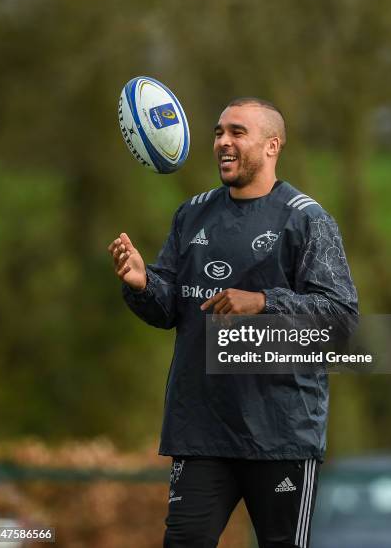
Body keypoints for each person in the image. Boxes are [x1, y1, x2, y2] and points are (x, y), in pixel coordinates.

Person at [108, 97, 358, 548]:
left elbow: (339, 321)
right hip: (201, 431)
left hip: (281, 434)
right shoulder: (192, 214)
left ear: (271, 145)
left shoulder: (307, 220)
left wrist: (263, 301)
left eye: (237, 132)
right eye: (219, 132)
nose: (223, 141)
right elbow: (169, 310)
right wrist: (143, 284)